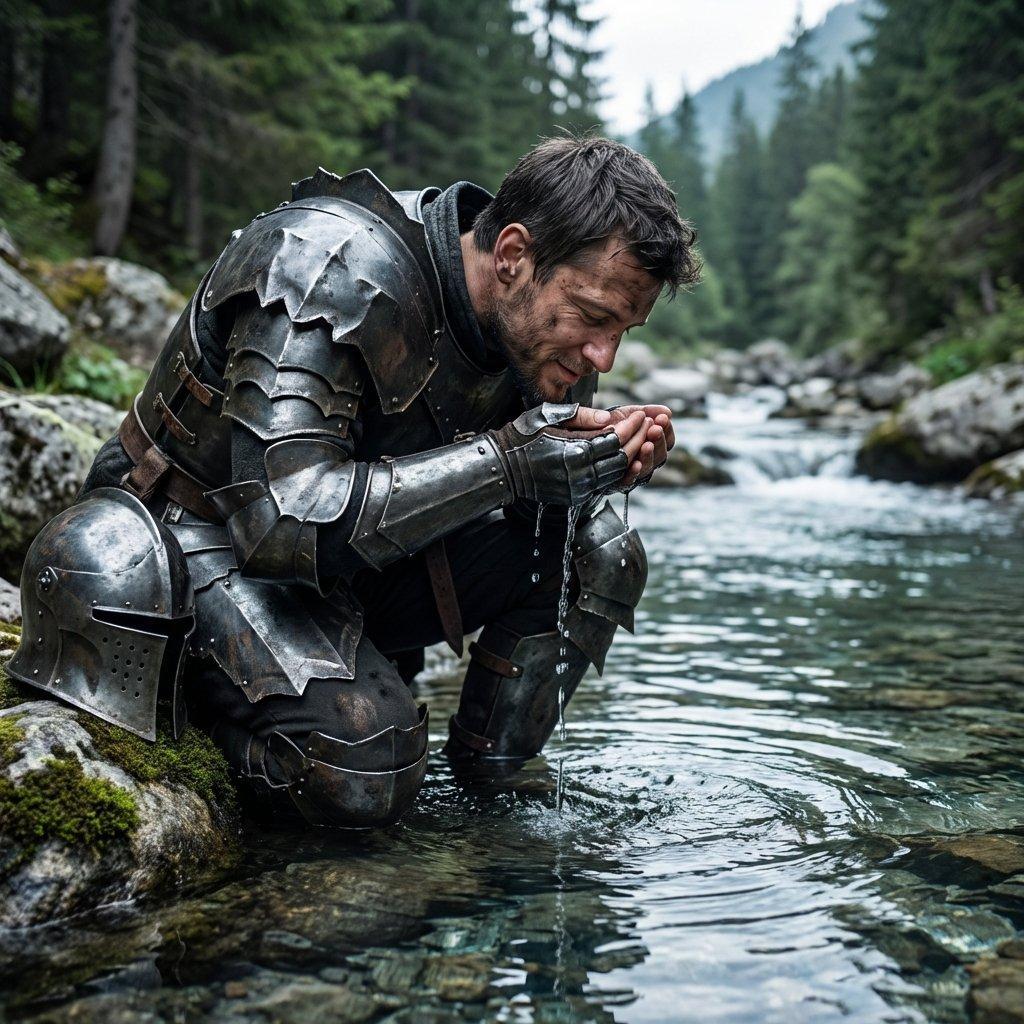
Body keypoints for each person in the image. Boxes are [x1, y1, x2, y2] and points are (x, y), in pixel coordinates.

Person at [9, 135, 700, 828]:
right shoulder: (332, 266)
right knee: (365, 762)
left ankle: (492, 802)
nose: (602, 355)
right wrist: (512, 464)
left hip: (350, 562)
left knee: (602, 551)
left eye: (624, 330)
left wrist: (592, 470)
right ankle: (211, 740)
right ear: (514, 255)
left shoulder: (547, 336)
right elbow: (278, 520)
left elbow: (520, 500)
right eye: (593, 318)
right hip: (191, 534)